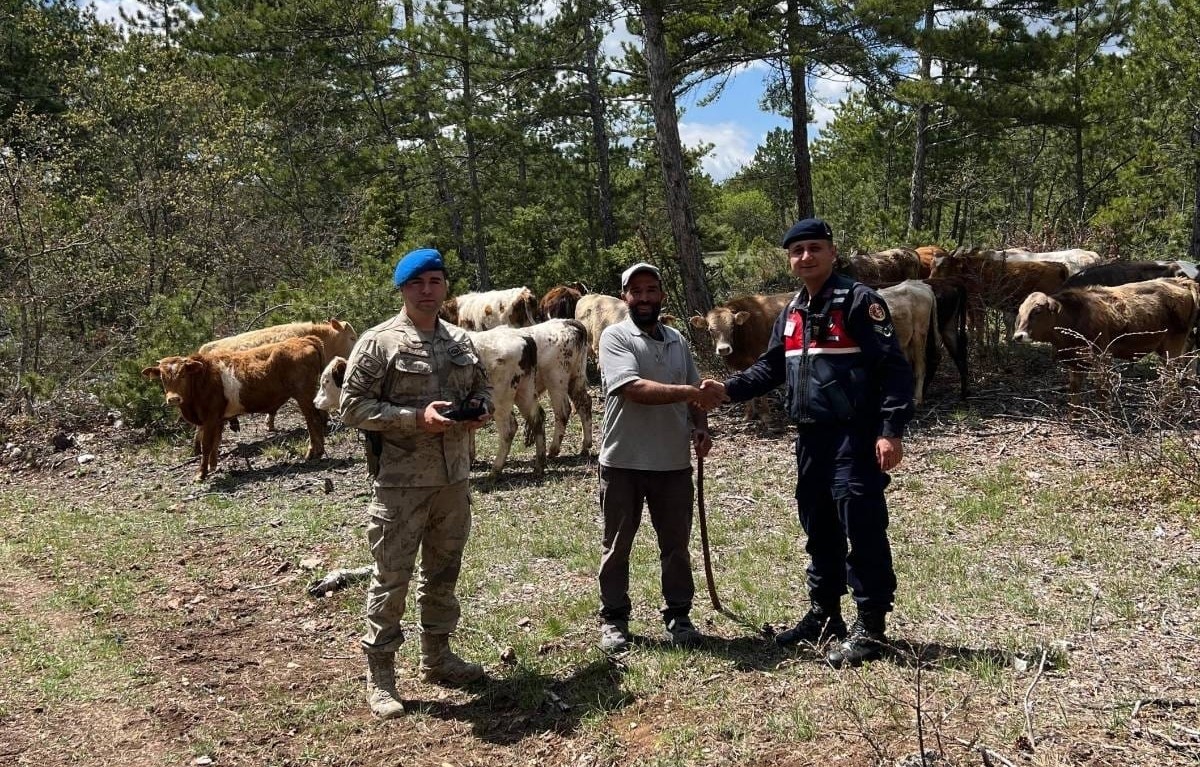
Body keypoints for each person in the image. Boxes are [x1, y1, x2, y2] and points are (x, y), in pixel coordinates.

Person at [702, 219, 914, 667]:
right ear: (790, 260)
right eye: (797, 251)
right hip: (810, 438)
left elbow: (894, 370)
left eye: (814, 248)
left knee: (862, 524)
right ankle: (825, 614)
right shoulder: (793, 311)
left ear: (832, 253)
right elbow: (771, 367)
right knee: (818, 525)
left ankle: (871, 626)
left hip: (854, 435)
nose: (805, 257)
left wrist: (890, 431)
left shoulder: (859, 302)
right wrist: (726, 390)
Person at [339, 247, 493, 719]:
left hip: (453, 477)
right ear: (403, 290)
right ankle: (380, 673)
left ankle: (437, 655)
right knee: (392, 578)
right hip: (400, 484)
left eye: (435, 282)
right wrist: (413, 418)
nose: (427, 292)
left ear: (445, 286)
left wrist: (479, 409)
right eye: (417, 284)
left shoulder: (461, 342)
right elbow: (351, 408)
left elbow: (481, 387)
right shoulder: (379, 342)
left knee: (444, 569)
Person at [596, 262, 724, 652]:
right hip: (623, 462)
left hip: (672, 462)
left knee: (675, 544)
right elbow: (633, 388)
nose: (645, 298)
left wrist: (700, 425)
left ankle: (679, 616)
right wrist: (690, 393)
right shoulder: (615, 338)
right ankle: (614, 620)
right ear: (625, 297)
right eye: (637, 291)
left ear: (661, 296)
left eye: (652, 290)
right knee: (617, 546)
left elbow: (696, 392)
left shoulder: (677, 340)